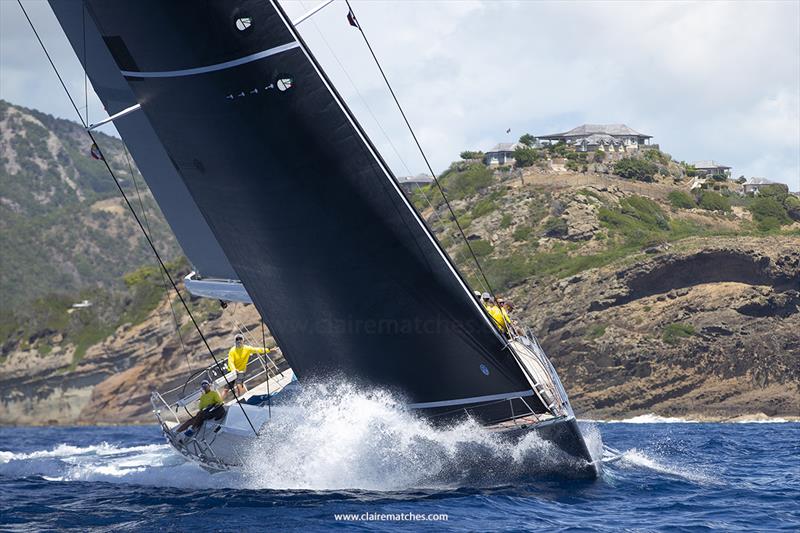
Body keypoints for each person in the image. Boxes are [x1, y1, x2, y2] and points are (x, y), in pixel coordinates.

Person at [223, 333, 268, 400]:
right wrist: (234, 370)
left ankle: (242, 399)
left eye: (240, 339)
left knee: (239, 385)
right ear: (235, 341)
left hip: (240, 371)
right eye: (237, 339)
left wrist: (269, 350)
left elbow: (258, 350)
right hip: (231, 372)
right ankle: (220, 402)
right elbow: (230, 362)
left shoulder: (247, 348)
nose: (239, 341)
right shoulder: (232, 350)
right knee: (226, 389)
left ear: (243, 341)